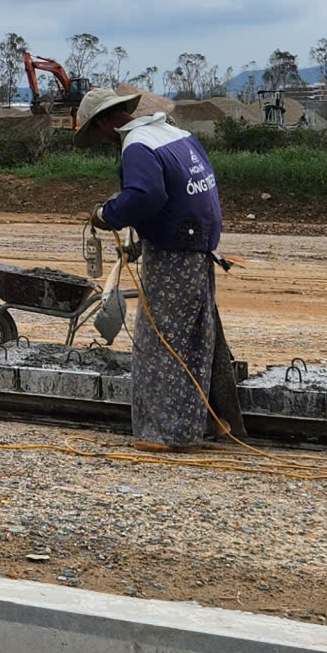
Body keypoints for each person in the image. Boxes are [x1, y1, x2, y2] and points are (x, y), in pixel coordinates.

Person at [76, 84, 239, 451]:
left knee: (161, 341)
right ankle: (209, 420)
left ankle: (166, 433)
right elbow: (182, 193)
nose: (102, 141)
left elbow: (147, 196)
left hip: (173, 255)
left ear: (105, 121)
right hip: (198, 247)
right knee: (198, 335)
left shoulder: (137, 144)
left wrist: (107, 214)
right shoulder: (177, 134)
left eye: (97, 132)